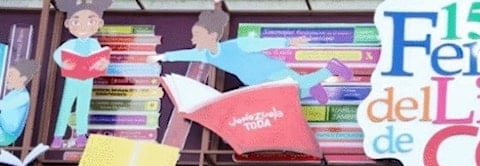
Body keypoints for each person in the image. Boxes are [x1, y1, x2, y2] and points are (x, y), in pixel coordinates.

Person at [151, 9, 352, 104]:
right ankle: (312, 90)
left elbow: (264, 43)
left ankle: (330, 68)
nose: (194, 41)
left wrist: (289, 43)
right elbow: (185, 54)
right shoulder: (207, 55)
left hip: (272, 71)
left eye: (197, 36)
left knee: (297, 84)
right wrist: (162, 57)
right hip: (257, 83)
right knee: (291, 95)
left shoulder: (237, 45)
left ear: (212, 36)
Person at [52, 0, 113, 149]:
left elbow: (100, 58)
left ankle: (81, 135)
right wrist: (64, 63)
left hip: (87, 80)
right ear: (67, 23)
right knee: (65, 107)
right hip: (72, 79)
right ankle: (58, 137)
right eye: (77, 21)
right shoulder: (70, 44)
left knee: (83, 108)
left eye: (90, 21)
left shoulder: (94, 43)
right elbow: (57, 54)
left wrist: (100, 64)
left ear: (99, 23)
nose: (84, 26)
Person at [0, 60, 38, 146]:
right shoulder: (14, 93)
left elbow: (5, 106)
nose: (7, 79)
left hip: (7, 135)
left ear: (23, 79)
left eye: (11, 75)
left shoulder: (23, 96)